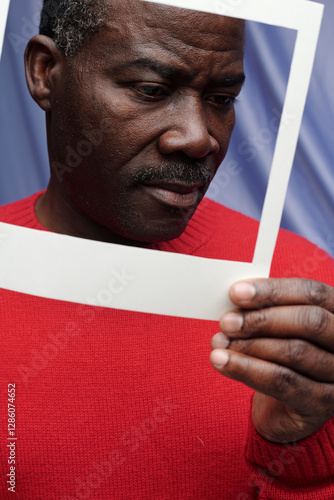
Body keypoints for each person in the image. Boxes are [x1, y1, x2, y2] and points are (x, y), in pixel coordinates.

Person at [1, 0, 334, 498]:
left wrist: (302, 449)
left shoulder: (304, 299)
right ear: (45, 72)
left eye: (221, 99)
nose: (199, 138)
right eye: (152, 90)